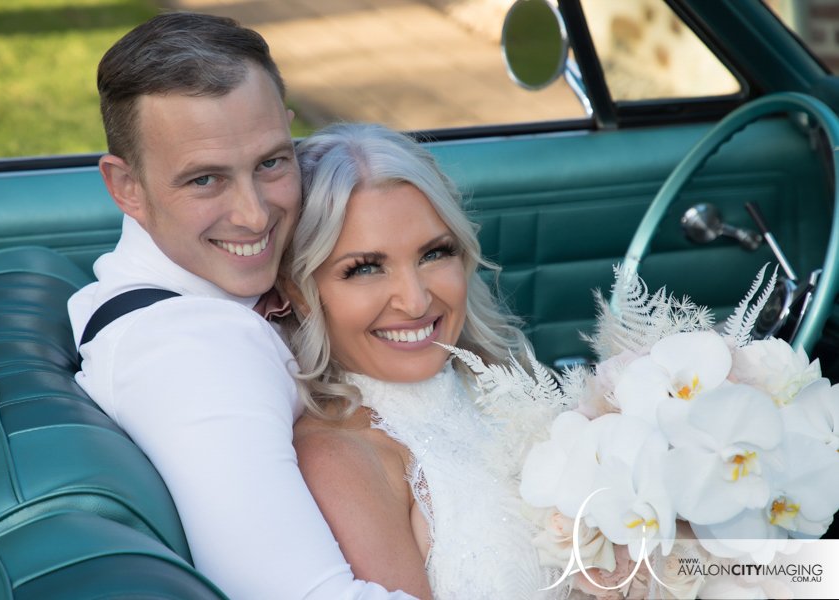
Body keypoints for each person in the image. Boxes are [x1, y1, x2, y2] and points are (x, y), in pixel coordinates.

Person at [68, 13, 415, 599]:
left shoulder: (191, 296)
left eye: (271, 162)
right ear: (126, 186)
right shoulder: (195, 356)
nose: (255, 215)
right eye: (205, 180)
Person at [287, 123, 562, 599]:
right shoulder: (340, 456)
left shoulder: (499, 380)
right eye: (365, 269)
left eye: (434, 253)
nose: (415, 301)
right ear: (304, 294)